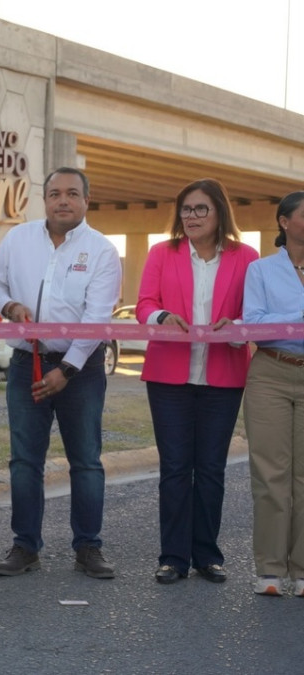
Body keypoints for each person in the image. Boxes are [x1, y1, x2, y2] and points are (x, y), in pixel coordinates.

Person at [0, 167, 121, 580]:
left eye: (71, 193)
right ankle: (25, 546)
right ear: (43, 199)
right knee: (24, 462)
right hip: (25, 364)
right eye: (54, 194)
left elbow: (97, 318)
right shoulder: (17, 239)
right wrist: (10, 307)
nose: (62, 200)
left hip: (80, 371)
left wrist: (67, 369)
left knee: (85, 461)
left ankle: (88, 547)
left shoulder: (101, 250)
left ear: (87, 199)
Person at [136, 179, 257, 585]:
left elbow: (253, 313)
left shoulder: (246, 257)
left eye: (200, 209)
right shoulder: (160, 253)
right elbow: (144, 306)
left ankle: (207, 555)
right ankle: (172, 557)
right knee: (174, 468)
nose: (191, 216)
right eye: (186, 209)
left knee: (210, 469)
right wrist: (161, 318)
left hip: (223, 376)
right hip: (169, 376)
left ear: (219, 212)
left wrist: (235, 325)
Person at [242, 190, 304, 597]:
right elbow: (255, 324)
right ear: (284, 221)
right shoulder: (261, 270)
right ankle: (269, 569)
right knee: (271, 474)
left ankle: (301, 571)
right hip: (271, 371)